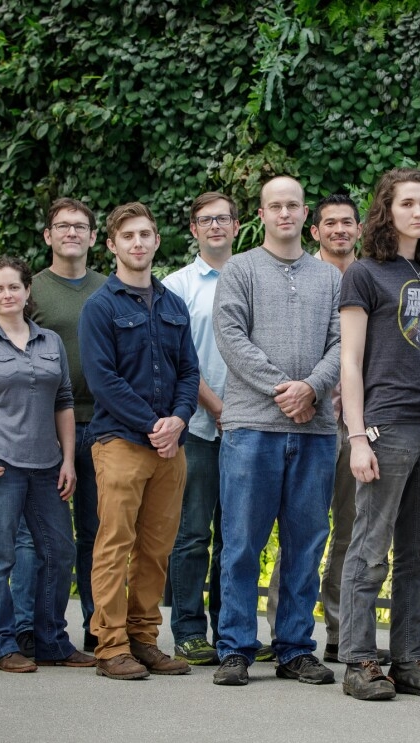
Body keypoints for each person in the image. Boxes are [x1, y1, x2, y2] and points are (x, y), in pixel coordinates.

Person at [337, 168, 420, 701]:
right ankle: (360, 662)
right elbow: (349, 359)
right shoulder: (364, 274)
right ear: (387, 210)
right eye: (408, 202)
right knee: (370, 548)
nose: (419, 211)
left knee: (419, 554)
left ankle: (408, 659)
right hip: (386, 427)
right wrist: (357, 437)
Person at [211, 176, 340, 687]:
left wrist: (311, 387)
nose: (284, 213)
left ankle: (293, 648)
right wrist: (284, 390)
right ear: (261, 215)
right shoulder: (240, 270)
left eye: (292, 205)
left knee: (305, 544)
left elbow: (341, 341)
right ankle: (236, 648)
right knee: (242, 543)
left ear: (305, 213)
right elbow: (231, 338)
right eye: (274, 206)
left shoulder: (329, 277)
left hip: (316, 431)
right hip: (251, 427)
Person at [0, 256, 94, 673]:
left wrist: (68, 460)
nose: (7, 295)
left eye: (13, 287)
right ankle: (2, 645)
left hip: (47, 464)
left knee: (60, 550)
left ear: (27, 291)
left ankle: (51, 641)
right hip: (0, 464)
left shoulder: (50, 341)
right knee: (0, 557)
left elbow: (64, 402)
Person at [80, 201, 199, 680]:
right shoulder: (100, 306)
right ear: (111, 245)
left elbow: (190, 371)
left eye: (146, 235)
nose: (138, 243)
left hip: (171, 449)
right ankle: (109, 646)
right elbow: (102, 380)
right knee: (114, 544)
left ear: (156, 241)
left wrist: (180, 419)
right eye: (128, 236)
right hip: (121, 444)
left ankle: (144, 639)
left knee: (156, 549)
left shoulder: (172, 304)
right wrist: (157, 424)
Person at [12, 197, 106, 657]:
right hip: (45, 432)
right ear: (48, 236)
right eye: (61, 226)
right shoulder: (29, 293)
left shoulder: (110, 289)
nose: (71, 232)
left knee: (98, 533)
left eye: (80, 226)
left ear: (93, 237)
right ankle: (28, 628)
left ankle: (98, 626)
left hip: (105, 428)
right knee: (38, 536)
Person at [302, 194, 390, 667]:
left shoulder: (373, 276)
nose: (339, 229)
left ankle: (343, 633)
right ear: (314, 231)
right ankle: (289, 635)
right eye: (329, 223)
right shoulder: (302, 277)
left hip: (361, 425)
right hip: (309, 421)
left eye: (347, 223)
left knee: (353, 534)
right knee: (302, 530)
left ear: (359, 229)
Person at [163, 192, 240, 666]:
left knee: (237, 536)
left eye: (223, 219)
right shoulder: (177, 286)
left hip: (252, 426)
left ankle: (232, 633)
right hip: (198, 427)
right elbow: (178, 360)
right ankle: (189, 630)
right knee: (192, 534)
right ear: (193, 229)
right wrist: (216, 406)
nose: (215, 227)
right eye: (205, 220)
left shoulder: (254, 273)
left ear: (237, 226)